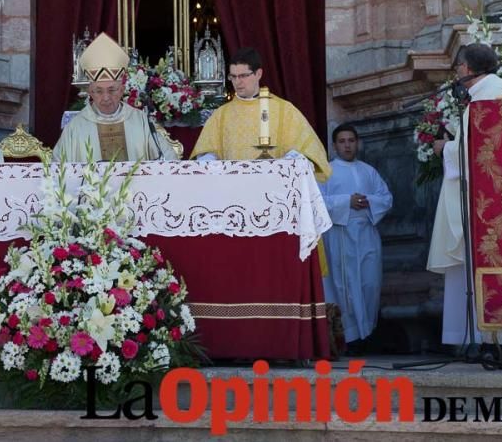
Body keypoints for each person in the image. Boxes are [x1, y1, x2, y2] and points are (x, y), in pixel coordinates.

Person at [427, 43, 502, 346]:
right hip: (499, 196)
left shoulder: (487, 99)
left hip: (484, 200)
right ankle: (493, 339)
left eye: (457, 68)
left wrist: (444, 148)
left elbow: (477, 153)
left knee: (480, 265)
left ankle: (489, 341)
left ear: (465, 69)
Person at [191, 47, 331, 181]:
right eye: (233, 76)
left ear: (259, 74)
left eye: (243, 75)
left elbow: (306, 151)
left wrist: (286, 164)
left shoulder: (284, 110)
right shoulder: (220, 116)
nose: (237, 82)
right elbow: (206, 156)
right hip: (233, 192)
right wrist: (209, 162)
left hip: (274, 190)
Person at [319, 123, 393, 349]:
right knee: (345, 285)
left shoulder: (368, 170)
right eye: (342, 141)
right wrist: (346, 201)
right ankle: (349, 338)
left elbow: (386, 197)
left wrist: (368, 201)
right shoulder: (326, 172)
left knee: (369, 283)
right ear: (334, 146)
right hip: (340, 233)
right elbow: (318, 202)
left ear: (357, 143)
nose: (347, 145)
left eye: (351, 140)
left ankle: (368, 332)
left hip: (366, 232)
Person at [54, 33, 177, 162]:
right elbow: (56, 168)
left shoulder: (141, 121)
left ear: (122, 90)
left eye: (112, 90)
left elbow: (169, 160)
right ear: (90, 92)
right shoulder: (75, 127)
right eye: (98, 91)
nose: (106, 97)